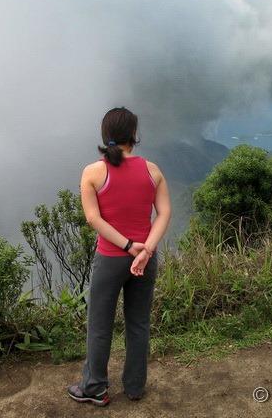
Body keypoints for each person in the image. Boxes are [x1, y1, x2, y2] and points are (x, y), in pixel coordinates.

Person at [67, 106, 171, 407]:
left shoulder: (93, 173)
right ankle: (136, 387)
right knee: (138, 324)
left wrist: (128, 247)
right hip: (145, 259)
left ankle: (95, 388)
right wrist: (145, 249)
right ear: (134, 136)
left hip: (112, 258)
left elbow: (93, 219)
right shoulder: (153, 171)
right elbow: (164, 213)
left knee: (100, 325)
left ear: (106, 136)